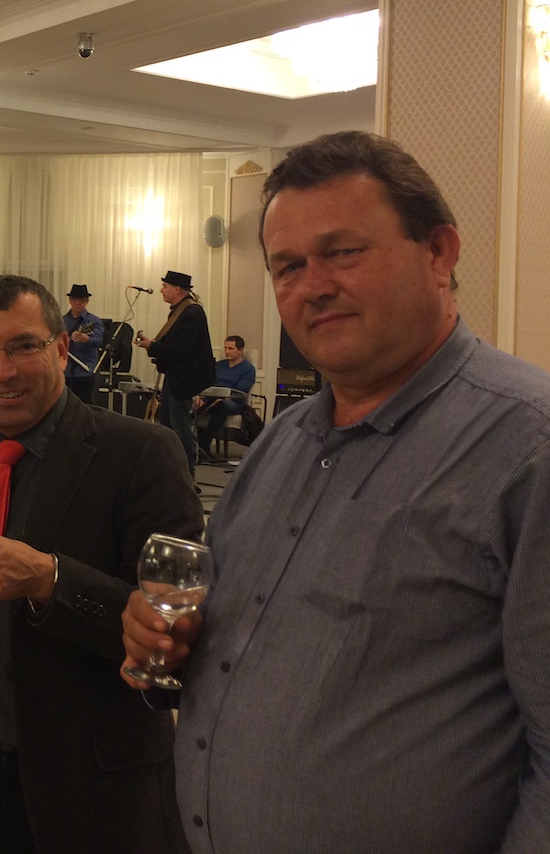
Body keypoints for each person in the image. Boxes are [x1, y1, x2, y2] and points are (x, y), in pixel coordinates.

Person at [122, 131, 550, 854]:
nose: (313, 285)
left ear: (439, 253)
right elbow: (230, 644)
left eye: (343, 252)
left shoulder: (526, 449)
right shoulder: (279, 446)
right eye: (288, 266)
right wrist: (168, 643)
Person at [0, 274, 202, 854]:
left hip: (88, 792)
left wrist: (51, 580)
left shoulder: (140, 454)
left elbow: (174, 634)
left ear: (63, 347)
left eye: (24, 346)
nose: (4, 371)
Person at [136, 270, 214, 477]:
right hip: (176, 375)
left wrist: (152, 347)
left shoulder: (191, 313)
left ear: (177, 289)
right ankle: (171, 469)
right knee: (168, 423)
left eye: (165, 286)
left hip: (184, 378)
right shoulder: (181, 310)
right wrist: (154, 345)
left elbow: (182, 350)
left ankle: (187, 473)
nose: (161, 290)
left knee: (179, 426)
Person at [194, 335, 255, 458]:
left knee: (222, 405)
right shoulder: (219, 365)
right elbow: (207, 382)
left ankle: (204, 444)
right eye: (225, 348)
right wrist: (198, 396)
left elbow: (241, 390)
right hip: (210, 397)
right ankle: (190, 442)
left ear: (240, 350)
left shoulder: (248, 369)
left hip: (233, 402)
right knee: (188, 403)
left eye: (231, 348)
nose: (227, 351)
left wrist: (220, 399)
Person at [61, 283, 104, 403]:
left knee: (84, 406)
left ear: (87, 301)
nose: (77, 303)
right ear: (70, 300)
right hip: (64, 371)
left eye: (82, 300)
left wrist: (87, 339)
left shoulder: (94, 321)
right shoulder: (61, 321)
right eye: (74, 299)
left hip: (85, 371)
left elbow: (98, 341)